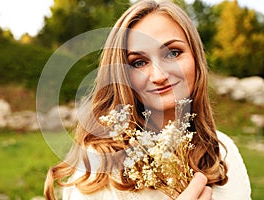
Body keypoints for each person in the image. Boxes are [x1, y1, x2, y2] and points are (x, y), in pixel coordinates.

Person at [44, 0, 251, 199]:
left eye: (173, 53)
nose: (159, 76)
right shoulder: (98, 171)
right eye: (139, 62)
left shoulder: (224, 149)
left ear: (196, 58)